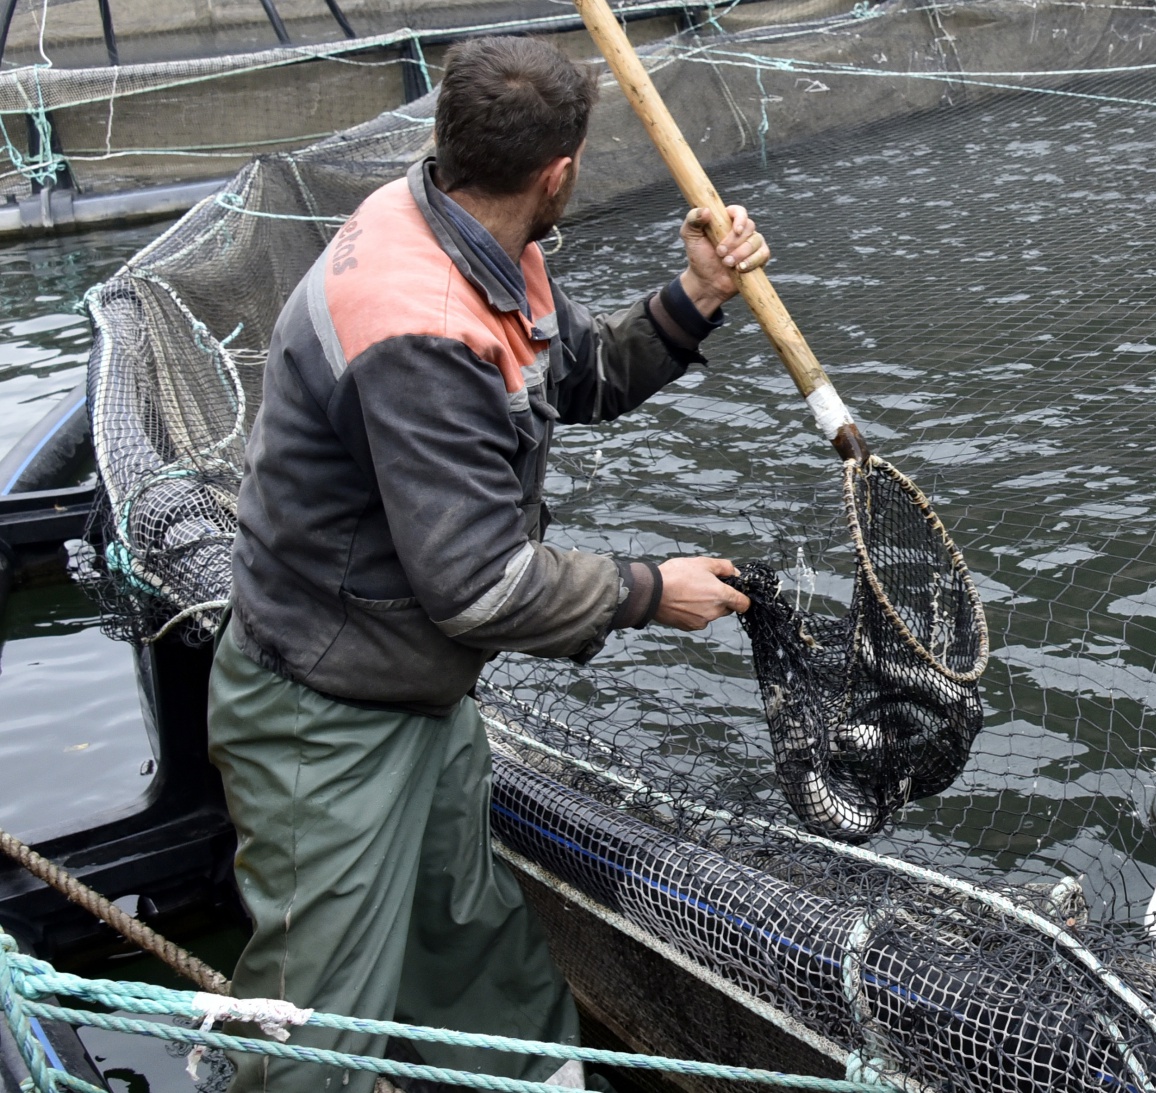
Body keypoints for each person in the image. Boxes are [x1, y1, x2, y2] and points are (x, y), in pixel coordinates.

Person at [206, 34, 762, 1093]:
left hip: (412, 692)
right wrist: (650, 590)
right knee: (315, 1015)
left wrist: (694, 296)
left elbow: (578, 371)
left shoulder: (464, 228)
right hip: (320, 718)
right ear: (560, 172)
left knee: (471, 941)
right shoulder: (417, 327)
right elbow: (475, 585)